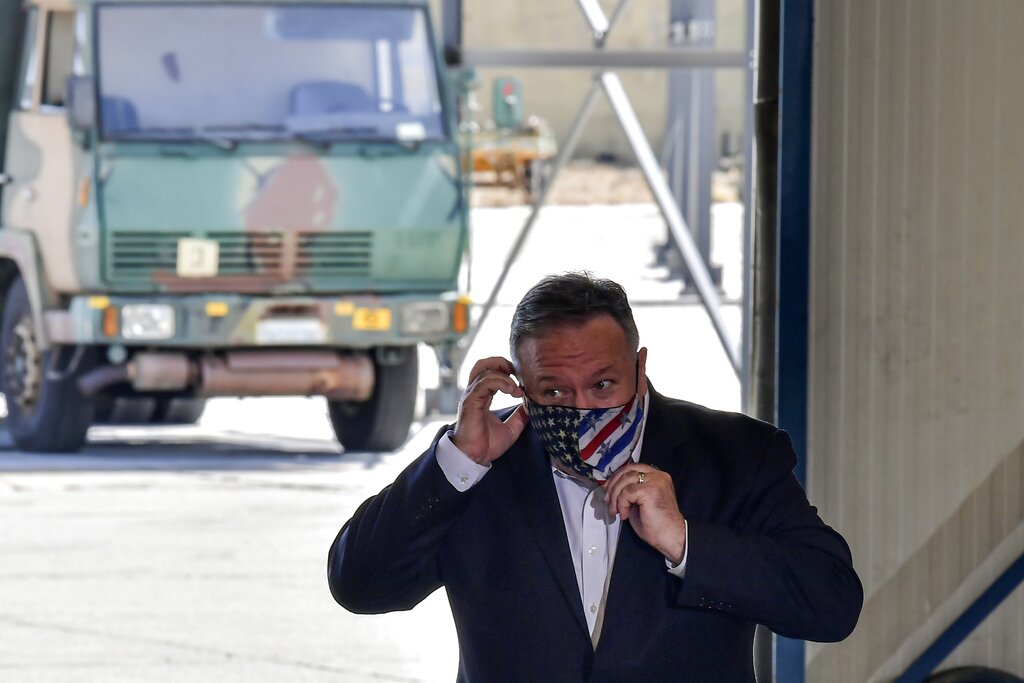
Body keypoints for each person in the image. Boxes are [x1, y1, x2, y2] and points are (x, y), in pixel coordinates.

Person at [328, 272, 862, 682]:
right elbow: (360, 586)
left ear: (640, 366)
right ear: (517, 384)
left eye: (604, 385)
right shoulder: (478, 466)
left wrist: (686, 542)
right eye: (555, 391)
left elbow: (831, 604)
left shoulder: (734, 454)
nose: (582, 408)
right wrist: (457, 464)